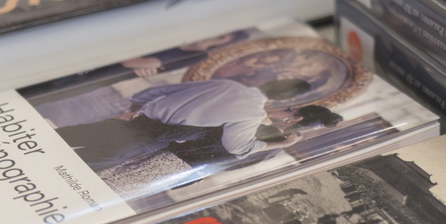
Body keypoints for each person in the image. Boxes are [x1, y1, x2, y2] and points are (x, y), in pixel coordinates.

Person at [53, 75, 332, 173]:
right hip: (150, 138)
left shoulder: (226, 83)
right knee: (88, 162)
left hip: (138, 118)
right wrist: (278, 143)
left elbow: (156, 92)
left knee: (65, 136)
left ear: (268, 83)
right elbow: (235, 147)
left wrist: (132, 108)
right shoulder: (252, 113)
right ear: (286, 100)